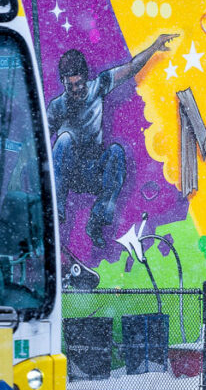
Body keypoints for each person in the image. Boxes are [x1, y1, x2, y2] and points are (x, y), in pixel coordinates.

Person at [48, 33, 176, 248]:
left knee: (116, 151)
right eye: (71, 86)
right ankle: (56, 211)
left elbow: (131, 68)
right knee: (64, 139)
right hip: (67, 172)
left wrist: (154, 46)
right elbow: (40, 139)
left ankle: (97, 220)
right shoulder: (57, 106)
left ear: (86, 79)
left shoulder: (99, 86)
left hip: (91, 173)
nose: (76, 90)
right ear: (63, 83)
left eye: (79, 84)